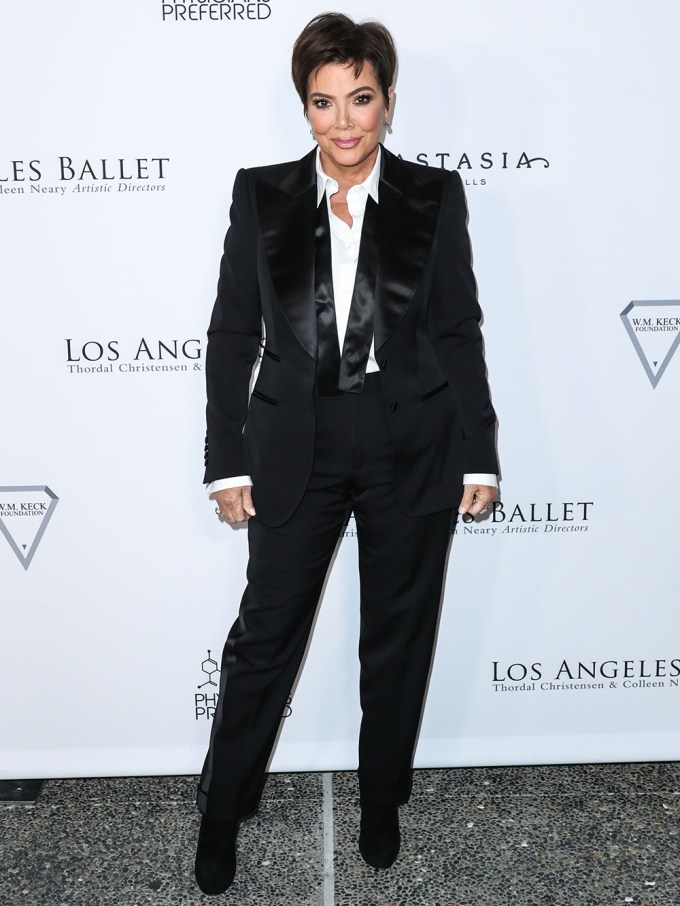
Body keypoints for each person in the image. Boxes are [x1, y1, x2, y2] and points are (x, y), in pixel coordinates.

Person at [195, 12, 498, 895]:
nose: (343, 121)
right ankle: (222, 808)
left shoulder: (434, 199)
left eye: (360, 99)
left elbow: (457, 326)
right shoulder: (261, 196)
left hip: (412, 439)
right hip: (296, 444)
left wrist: (478, 454)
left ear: (388, 102)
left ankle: (380, 798)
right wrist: (227, 459)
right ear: (305, 107)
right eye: (323, 102)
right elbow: (229, 332)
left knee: (396, 639)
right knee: (264, 639)